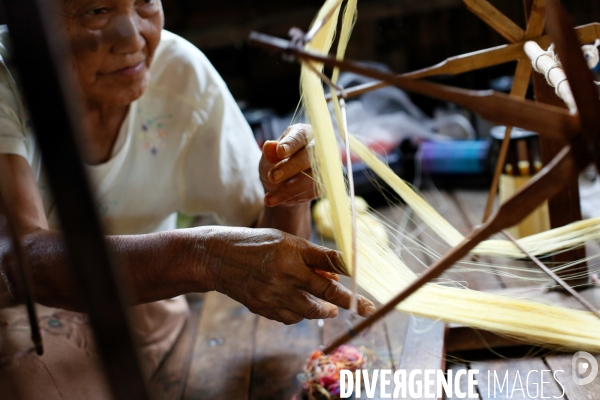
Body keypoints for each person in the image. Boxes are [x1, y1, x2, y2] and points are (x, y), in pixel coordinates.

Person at [0, 0, 375, 398]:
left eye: (145, 2)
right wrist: (203, 255)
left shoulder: (179, 73)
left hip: (142, 312)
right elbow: (19, 263)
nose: (133, 38)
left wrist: (289, 186)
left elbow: (264, 248)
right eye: (97, 11)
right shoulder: (7, 78)